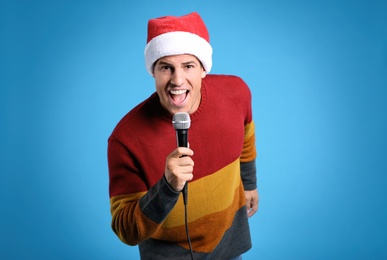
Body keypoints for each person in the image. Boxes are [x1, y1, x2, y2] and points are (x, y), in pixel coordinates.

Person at [108, 12, 259, 259]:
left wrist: (249, 182)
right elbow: (126, 230)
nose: (177, 80)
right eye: (166, 67)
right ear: (153, 72)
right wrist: (167, 187)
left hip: (228, 244)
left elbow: (246, 135)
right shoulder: (125, 139)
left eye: (188, 66)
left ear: (202, 69)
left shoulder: (236, 93)